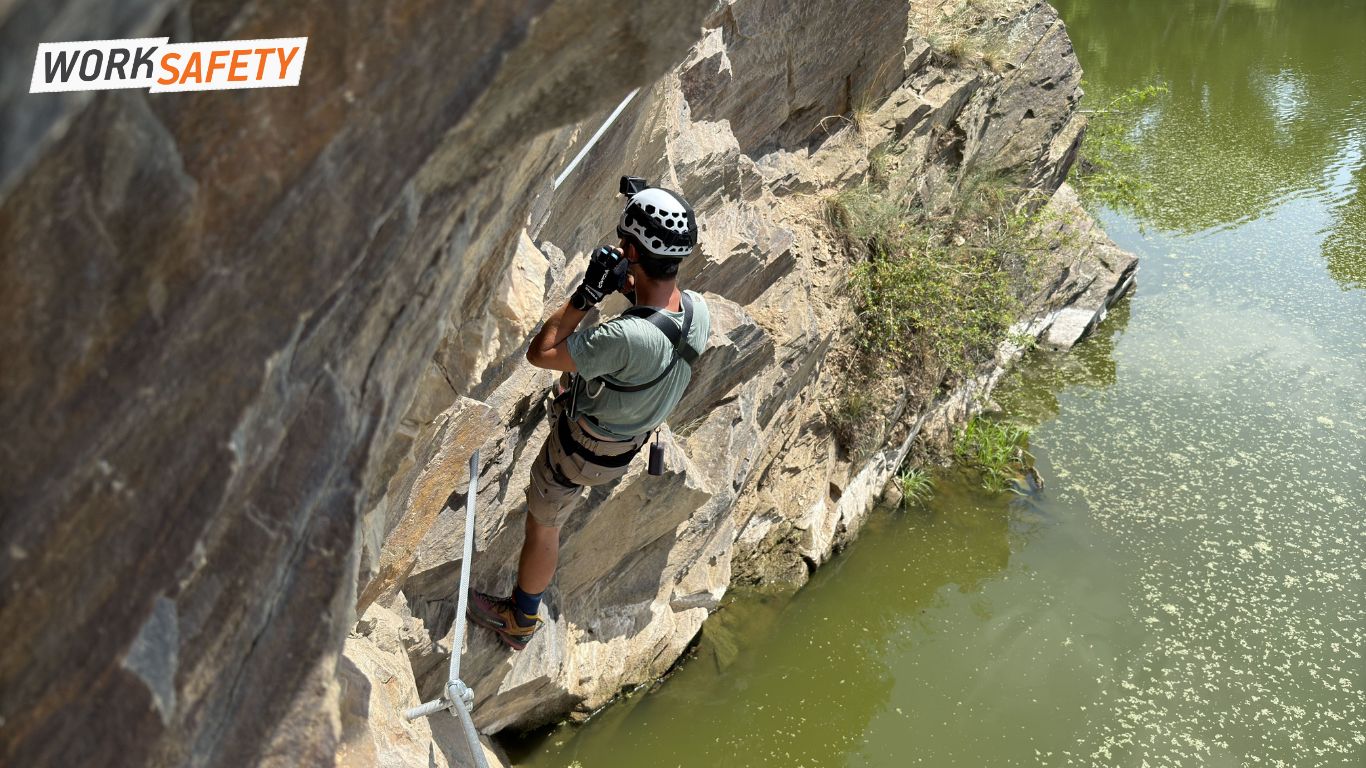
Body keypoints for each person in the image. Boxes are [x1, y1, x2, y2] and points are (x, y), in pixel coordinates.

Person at [467, 178, 711, 650]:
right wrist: (630, 282)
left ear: (630, 251)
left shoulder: (622, 337)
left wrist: (586, 295)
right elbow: (653, 325)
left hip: (580, 453)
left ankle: (521, 618)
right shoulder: (698, 312)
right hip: (626, 439)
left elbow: (543, 352)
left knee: (544, 525)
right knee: (602, 371)